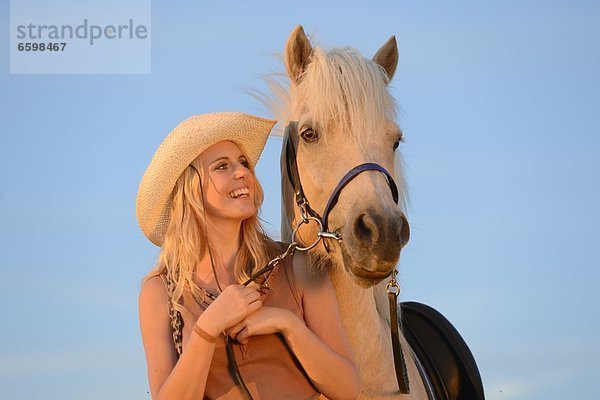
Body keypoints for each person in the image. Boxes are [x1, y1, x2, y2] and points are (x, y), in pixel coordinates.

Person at [137, 112, 359, 400]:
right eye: (222, 166)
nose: (242, 172)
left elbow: (348, 388)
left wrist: (287, 324)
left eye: (243, 163)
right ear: (190, 189)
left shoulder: (299, 267)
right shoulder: (161, 292)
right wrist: (207, 328)